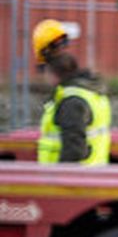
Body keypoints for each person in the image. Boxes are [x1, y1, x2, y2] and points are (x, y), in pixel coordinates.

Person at [33, 19, 111, 166]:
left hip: (70, 183)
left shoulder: (72, 102)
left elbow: (74, 150)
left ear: (54, 73)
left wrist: (59, 177)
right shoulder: (91, 92)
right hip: (92, 175)